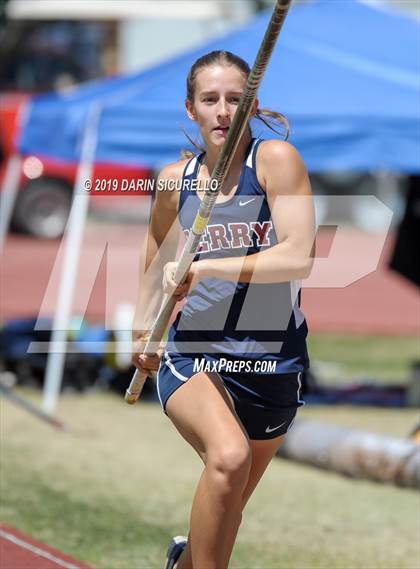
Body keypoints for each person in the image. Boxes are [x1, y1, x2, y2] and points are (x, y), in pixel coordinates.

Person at [132, 50, 315, 569]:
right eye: (209, 100)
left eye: (235, 100)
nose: (222, 111)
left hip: (272, 360)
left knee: (225, 505)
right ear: (191, 109)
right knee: (228, 457)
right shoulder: (176, 180)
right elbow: (156, 244)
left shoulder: (275, 161)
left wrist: (208, 267)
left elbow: (299, 256)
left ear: (251, 105)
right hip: (195, 352)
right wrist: (143, 324)